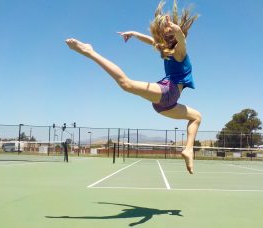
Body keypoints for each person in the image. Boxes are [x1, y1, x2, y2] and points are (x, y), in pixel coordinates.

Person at [65, 0, 201, 174]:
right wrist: (135, 33)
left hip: (166, 104)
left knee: (196, 117)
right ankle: (89, 52)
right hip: (168, 94)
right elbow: (154, 41)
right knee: (126, 84)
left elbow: (180, 38)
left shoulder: (179, 51)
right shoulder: (172, 51)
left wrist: (175, 30)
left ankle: (188, 149)